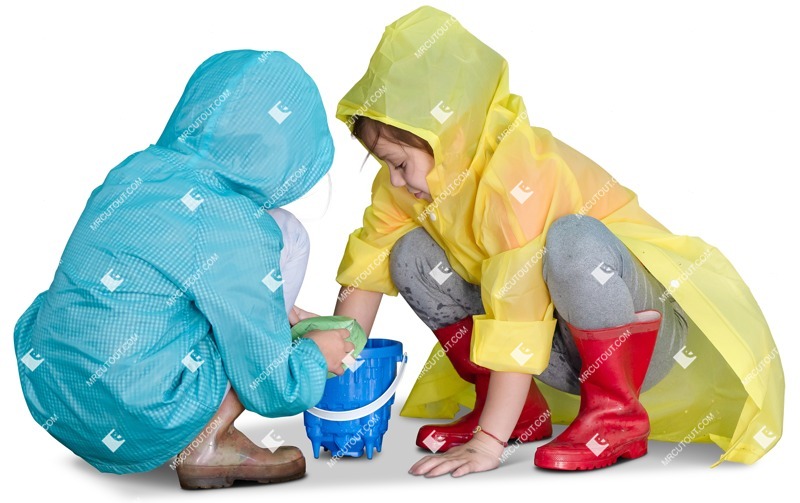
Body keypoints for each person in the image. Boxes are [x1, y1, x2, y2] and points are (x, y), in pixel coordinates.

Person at [331, 6, 784, 476]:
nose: (394, 180)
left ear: (449, 137)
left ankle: (617, 414)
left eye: (399, 162)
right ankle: (517, 408)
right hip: (550, 354)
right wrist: (333, 355)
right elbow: (367, 265)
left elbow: (518, 306)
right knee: (410, 253)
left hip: (638, 344)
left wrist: (489, 445)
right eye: (384, 163)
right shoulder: (408, 183)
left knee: (572, 240)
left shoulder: (518, 173)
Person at [13, 49, 354, 489]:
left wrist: (272, 308)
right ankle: (206, 444)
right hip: (144, 413)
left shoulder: (133, 170)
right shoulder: (239, 226)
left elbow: (156, 273)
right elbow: (274, 387)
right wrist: (312, 357)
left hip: (57, 393)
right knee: (286, 234)